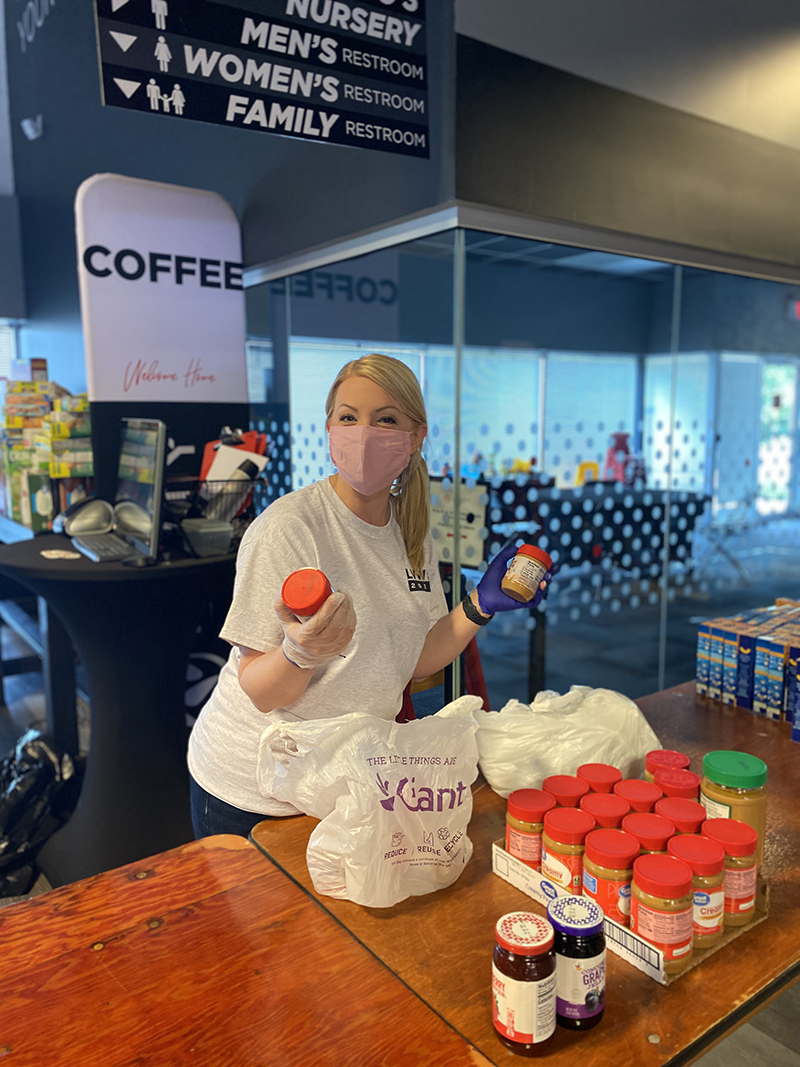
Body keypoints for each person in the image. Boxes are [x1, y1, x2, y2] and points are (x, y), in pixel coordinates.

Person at [187, 354, 550, 837]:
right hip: (255, 792)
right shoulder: (289, 527)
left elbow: (413, 659)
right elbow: (260, 690)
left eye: (386, 420)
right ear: (329, 429)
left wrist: (478, 605)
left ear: (416, 437)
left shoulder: (414, 532)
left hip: (345, 781)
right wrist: (300, 653)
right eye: (349, 418)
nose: (364, 434)